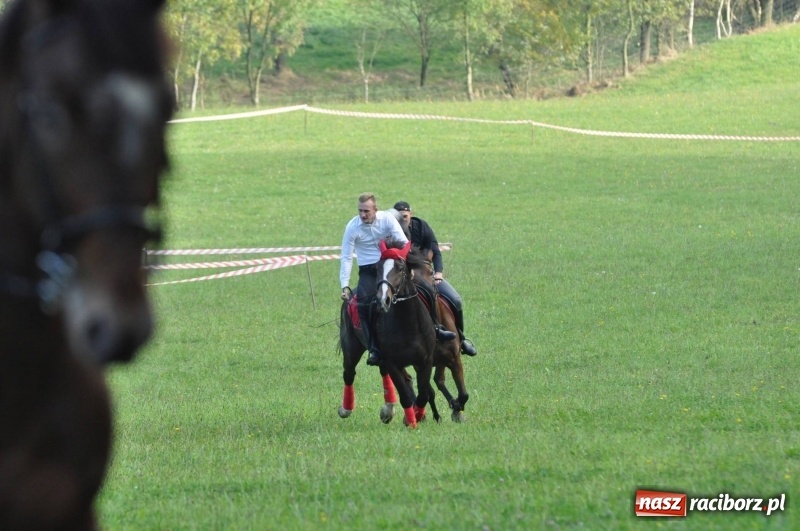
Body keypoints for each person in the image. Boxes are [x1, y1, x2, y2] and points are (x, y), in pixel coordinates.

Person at [340, 193, 455, 367]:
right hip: (369, 272)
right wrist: (345, 284)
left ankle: (436, 327)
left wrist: (409, 269)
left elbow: (403, 242)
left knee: (428, 289)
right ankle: (374, 348)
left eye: (366, 211)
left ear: (375, 210)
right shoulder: (352, 226)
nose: (363, 215)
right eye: (360, 211)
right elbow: (346, 257)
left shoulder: (387, 220)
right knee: (363, 303)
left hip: (392, 266)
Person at [393, 201, 478, 356]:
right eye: (399, 217)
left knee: (456, 300)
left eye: (405, 216)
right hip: (402, 277)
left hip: (426, 275)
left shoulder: (422, 227)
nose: (402, 220)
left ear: (411, 214)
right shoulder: (391, 231)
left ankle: (461, 339)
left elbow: (435, 251)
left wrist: (438, 272)